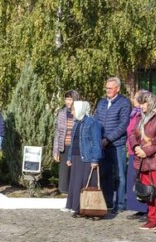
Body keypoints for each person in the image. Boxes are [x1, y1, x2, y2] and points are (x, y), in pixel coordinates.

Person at [129, 91, 156, 233]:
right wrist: (135, 147)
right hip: (143, 160)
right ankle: (152, 218)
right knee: (148, 192)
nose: (140, 106)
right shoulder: (142, 117)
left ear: (151, 102)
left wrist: (145, 151)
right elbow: (133, 134)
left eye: (143, 103)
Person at [94, 77, 131, 214]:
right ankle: (107, 202)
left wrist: (108, 139)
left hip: (117, 145)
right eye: (106, 88)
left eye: (110, 88)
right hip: (102, 144)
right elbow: (96, 120)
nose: (107, 90)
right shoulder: (102, 103)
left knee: (119, 175)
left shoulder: (124, 103)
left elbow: (123, 125)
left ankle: (120, 204)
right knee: (105, 174)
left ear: (117, 89)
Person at [63, 101, 102, 217]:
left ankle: (89, 209)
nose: (72, 112)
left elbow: (96, 142)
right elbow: (73, 142)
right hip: (76, 157)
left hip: (86, 158)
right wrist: (69, 157)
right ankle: (77, 208)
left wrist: (95, 159)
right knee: (76, 183)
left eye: (74, 110)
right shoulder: (77, 123)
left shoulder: (92, 122)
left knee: (86, 183)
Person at [124, 92, 149, 219]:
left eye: (135, 97)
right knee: (133, 181)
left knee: (143, 181)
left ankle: (147, 209)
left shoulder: (144, 114)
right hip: (132, 151)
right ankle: (138, 208)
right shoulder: (134, 113)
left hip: (141, 151)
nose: (133, 99)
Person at [52, 90, 79, 196]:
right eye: (66, 99)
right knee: (64, 173)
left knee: (74, 171)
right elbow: (58, 132)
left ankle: (74, 191)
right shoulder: (62, 113)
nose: (68, 101)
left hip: (76, 146)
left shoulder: (79, 113)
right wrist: (56, 151)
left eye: (70, 99)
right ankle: (64, 192)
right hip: (64, 146)